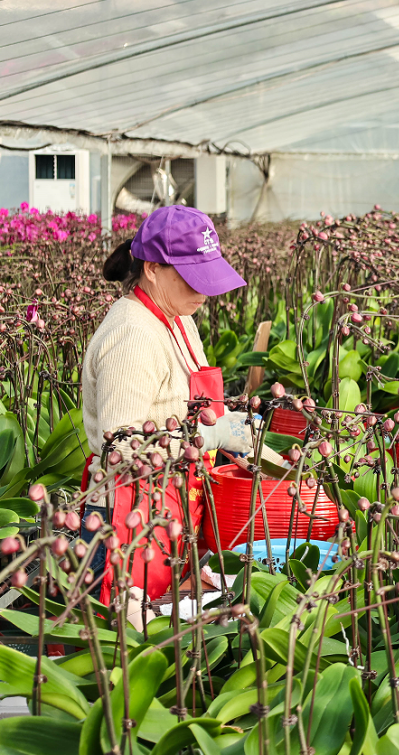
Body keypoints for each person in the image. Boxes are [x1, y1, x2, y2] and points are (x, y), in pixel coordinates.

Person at [80, 205, 255, 612]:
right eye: (192, 278)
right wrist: (205, 436)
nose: (204, 291)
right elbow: (119, 445)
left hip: (170, 506)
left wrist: (234, 424)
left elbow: (187, 402)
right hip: (126, 524)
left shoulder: (176, 317)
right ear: (153, 268)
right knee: (125, 650)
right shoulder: (133, 334)